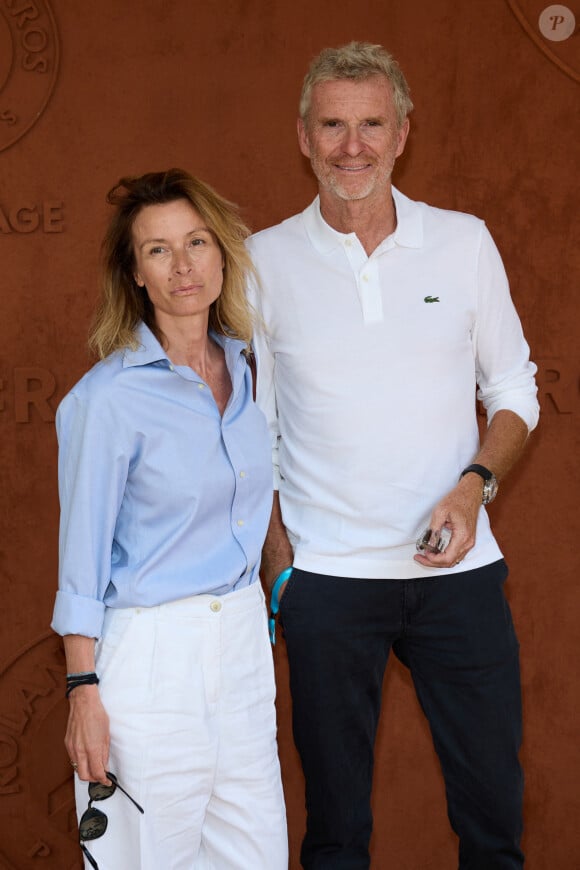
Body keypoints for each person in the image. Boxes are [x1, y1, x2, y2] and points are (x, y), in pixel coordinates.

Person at [248, 42, 539, 869]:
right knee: (335, 834)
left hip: (460, 581)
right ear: (304, 136)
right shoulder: (262, 262)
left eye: (371, 123)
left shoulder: (464, 242)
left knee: (494, 817)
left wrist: (474, 487)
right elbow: (252, 432)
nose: (353, 146)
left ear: (402, 132)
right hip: (328, 586)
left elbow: (516, 389)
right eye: (333, 125)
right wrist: (280, 570)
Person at [51, 169, 288, 870]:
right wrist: (83, 692)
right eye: (157, 250)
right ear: (135, 275)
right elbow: (82, 563)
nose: (182, 265)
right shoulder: (108, 400)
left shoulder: (246, 369)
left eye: (196, 241)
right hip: (150, 663)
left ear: (222, 254)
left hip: (244, 654)